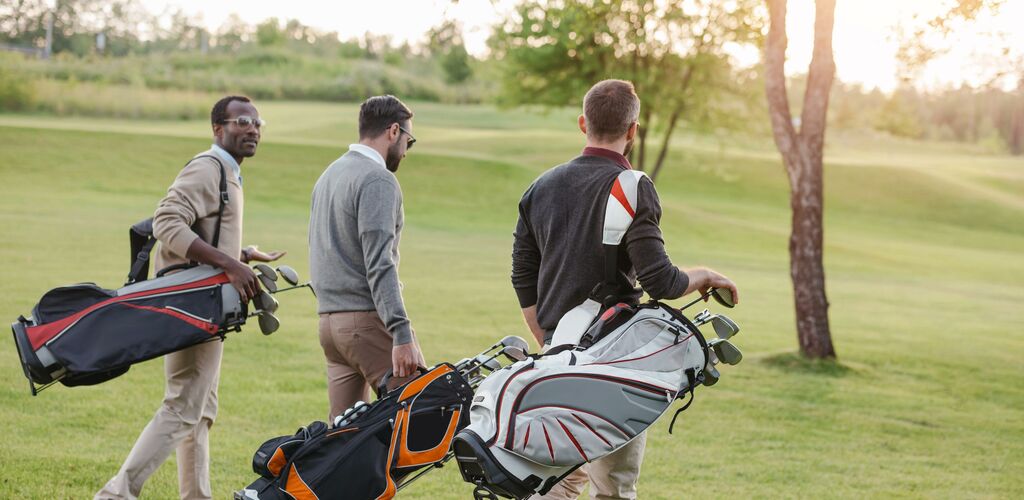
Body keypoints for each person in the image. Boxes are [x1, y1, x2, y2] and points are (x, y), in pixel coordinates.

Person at [510, 79, 739, 500]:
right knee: (613, 486)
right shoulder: (634, 187)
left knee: (557, 480)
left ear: (583, 123)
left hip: (559, 353)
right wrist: (704, 275)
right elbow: (661, 281)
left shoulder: (539, 187)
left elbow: (523, 275)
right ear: (633, 130)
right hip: (616, 359)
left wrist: (547, 337)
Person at [97, 95, 285, 500]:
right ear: (218, 128)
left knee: (199, 412)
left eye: (257, 122)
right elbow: (166, 221)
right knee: (183, 406)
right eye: (241, 121)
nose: (252, 129)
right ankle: (115, 495)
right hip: (194, 305)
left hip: (209, 305)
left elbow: (205, 233)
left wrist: (242, 255)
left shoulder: (228, 173)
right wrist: (230, 266)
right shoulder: (208, 167)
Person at [308, 95, 426, 421]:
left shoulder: (329, 175)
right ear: (393, 131)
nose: (405, 150)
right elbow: (380, 262)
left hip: (330, 326)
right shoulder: (377, 179)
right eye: (408, 141)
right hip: (365, 322)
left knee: (343, 442)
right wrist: (402, 334)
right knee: (423, 417)